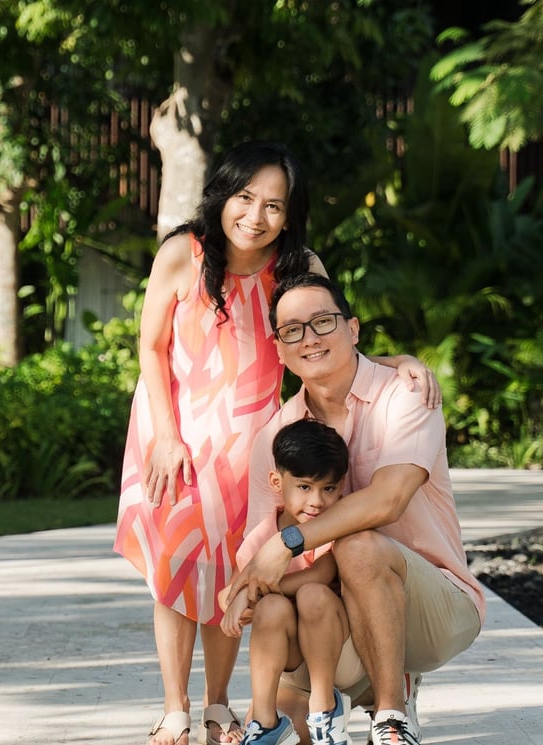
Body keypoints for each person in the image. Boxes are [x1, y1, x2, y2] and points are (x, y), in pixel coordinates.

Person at [113, 141, 440, 745]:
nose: (255, 216)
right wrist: (164, 435)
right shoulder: (183, 254)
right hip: (176, 430)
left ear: (289, 215)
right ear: (223, 194)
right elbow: (150, 348)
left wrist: (397, 360)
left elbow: (330, 332)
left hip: (254, 435)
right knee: (177, 566)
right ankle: (173, 709)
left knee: (228, 563)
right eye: (245, 198)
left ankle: (217, 706)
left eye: (273, 205)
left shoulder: (295, 263)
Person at [226, 273, 486, 745]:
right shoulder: (277, 436)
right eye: (292, 330)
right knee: (296, 733)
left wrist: (291, 542)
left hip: (433, 606)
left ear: (354, 329)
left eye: (323, 321)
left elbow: (388, 500)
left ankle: (391, 716)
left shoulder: (405, 395)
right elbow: (261, 552)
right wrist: (248, 591)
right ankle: (334, 697)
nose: (309, 338)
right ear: (279, 348)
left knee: (359, 545)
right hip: (329, 609)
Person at [219, 419, 363, 745]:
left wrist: (250, 592)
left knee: (312, 593)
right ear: (276, 481)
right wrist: (242, 596)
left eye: (328, 489)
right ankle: (267, 723)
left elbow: (322, 574)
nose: (316, 501)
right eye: (304, 487)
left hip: (343, 652)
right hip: (296, 661)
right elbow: (229, 594)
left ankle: (325, 710)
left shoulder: (337, 525)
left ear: (341, 486)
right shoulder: (263, 535)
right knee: (270, 607)